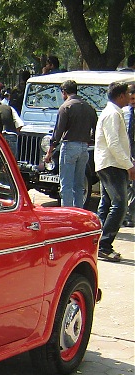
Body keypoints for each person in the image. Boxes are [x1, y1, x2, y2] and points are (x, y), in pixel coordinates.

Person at [95, 81, 135, 262]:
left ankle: (96, 243)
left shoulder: (114, 112)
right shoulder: (112, 114)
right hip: (112, 165)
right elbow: (113, 144)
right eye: (127, 94)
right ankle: (104, 245)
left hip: (111, 163)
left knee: (106, 205)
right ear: (120, 96)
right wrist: (128, 165)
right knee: (120, 205)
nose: (130, 97)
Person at [42, 79, 97, 208]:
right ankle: (79, 212)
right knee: (79, 185)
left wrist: (49, 152)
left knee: (66, 185)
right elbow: (96, 129)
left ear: (64, 92)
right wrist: (89, 141)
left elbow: (57, 133)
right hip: (84, 148)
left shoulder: (66, 107)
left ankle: (67, 213)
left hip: (69, 147)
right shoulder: (89, 108)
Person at [124, 82, 135, 227]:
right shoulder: (124, 113)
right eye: (131, 100)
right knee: (125, 186)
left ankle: (130, 216)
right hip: (124, 154)